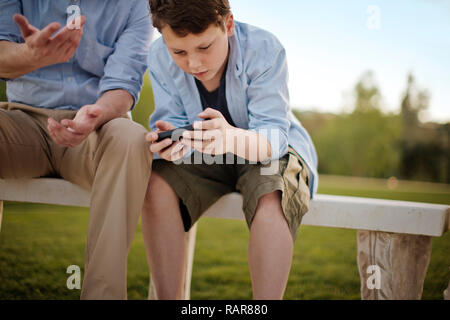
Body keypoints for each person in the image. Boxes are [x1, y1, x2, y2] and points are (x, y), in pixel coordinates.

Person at [143, 0, 319, 299]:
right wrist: (168, 145)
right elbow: (171, 120)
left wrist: (231, 139)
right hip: (205, 154)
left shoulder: (265, 48)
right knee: (157, 183)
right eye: (179, 52)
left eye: (205, 47)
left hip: (266, 150)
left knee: (271, 192)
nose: (194, 64)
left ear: (228, 24)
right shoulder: (158, 57)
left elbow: (273, 138)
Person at [0, 0, 153, 299]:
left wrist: (94, 113)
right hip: (22, 123)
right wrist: (30, 56)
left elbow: (124, 85)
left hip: (97, 129)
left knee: (132, 139)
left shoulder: (137, 6)